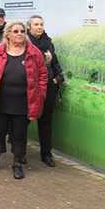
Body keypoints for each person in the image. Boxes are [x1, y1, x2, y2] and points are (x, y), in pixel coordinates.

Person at [0, 21, 48, 180]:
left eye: (22, 31)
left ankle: (17, 163)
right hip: (0, 100)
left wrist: (41, 93)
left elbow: (43, 75)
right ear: (8, 34)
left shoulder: (34, 52)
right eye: (15, 31)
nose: (19, 34)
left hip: (23, 102)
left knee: (19, 134)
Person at [27, 15, 64, 167]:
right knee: (24, 121)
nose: (39, 27)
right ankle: (20, 153)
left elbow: (54, 62)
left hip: (48, 86)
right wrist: (44, 59)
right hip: (30, 87)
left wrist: (58, 78)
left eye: (41, 24)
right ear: (29, 27)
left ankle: (46, 153)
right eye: (36, 24)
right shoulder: (24, 42)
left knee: (46, 121)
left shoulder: (48, 42)